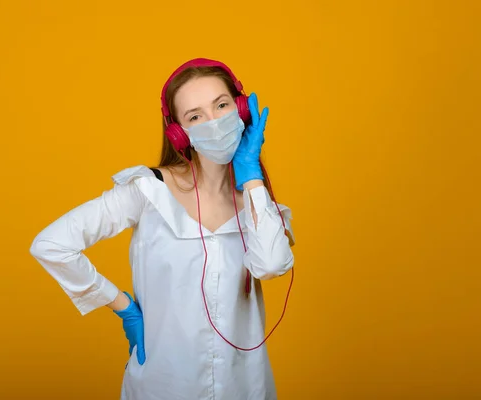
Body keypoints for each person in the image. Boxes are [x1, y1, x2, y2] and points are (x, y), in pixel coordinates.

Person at [29, 58, 296, 400]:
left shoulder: (259, 208)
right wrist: (119, 303)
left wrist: (251, 173)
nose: (214, 122)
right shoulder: (147, 191)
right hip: (163, 385)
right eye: (195, 116)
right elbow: (51, 244)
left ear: (242, 110)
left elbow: (272, 264)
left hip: (243, 388)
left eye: (222, 105)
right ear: (179, 133)